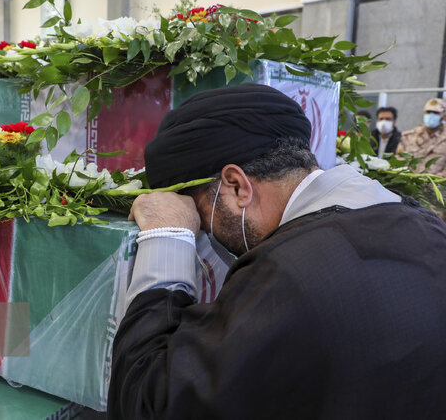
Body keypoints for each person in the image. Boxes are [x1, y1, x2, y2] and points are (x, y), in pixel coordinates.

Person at [108, 84, 446, 419]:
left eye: (200, 215)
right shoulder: (427, 226)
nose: (207, 233)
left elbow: (150, 404)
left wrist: (168, 236)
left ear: (237, 186)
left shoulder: (286, 275)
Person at [399, 98, 446, 177]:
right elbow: (399, 162)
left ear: (444, 116)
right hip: (406, 185)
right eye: (428, 112)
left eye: (435, 113)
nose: (431, 115)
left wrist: (426, 182)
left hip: (434, 186)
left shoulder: (443, 138)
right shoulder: (408, 136)